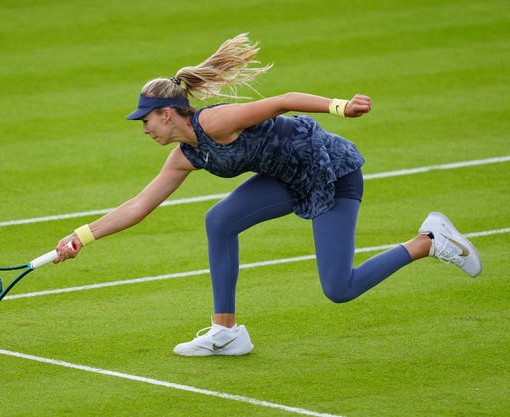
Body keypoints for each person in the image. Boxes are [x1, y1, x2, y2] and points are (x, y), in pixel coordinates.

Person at [53, 34, 482, 356]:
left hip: (331, 172)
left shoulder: (218, 122)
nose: (144, 129)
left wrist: (341, 107)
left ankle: (428, 242)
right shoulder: (186, 155)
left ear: (167, 114)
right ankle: (228, 332)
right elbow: (138, 206)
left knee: (340, 288)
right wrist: (82, 237)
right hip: (286, 178)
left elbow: (284, 100)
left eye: (146, 120)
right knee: (218, 220)